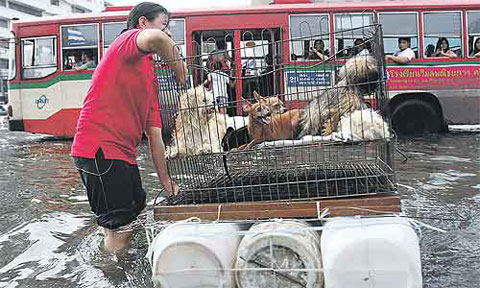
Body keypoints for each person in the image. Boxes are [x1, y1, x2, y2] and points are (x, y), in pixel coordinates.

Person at [71, 2, 187, 255]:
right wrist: (179, 70)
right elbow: (157, 39)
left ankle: (110, 256)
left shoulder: (149, 76)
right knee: (121, 227)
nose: (168, 33)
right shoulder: (127, 42)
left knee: (131, 215)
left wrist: (166, 182)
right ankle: (111, 271)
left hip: (122, 154)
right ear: (143, 23)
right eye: (164, 25)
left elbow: (155, 137)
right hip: (100, 149)